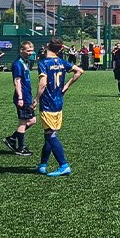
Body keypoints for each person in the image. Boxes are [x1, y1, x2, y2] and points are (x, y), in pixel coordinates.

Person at [36, 37, 84, 177]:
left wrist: (35, 99)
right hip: (58, 102)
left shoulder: (44, 63)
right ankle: (42, 165)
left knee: (50, 135)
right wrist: (67, 86)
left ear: (47, 46)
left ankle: (63, 165)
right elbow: (79, 71)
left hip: (47, 103)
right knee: (49, 134)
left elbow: (43, 83)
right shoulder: (62, 62)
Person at [3, 41, 37, 156]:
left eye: (31, 50)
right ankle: (20, 148)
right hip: (22, 97)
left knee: (32, 120)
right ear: (21, 50)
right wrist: (20, 98)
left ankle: (12, 139)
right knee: (23, 122)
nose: (30, 53)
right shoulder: (18, 63)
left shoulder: (25, 62)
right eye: (28, 51)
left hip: (27, 96)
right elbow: (17, 81)